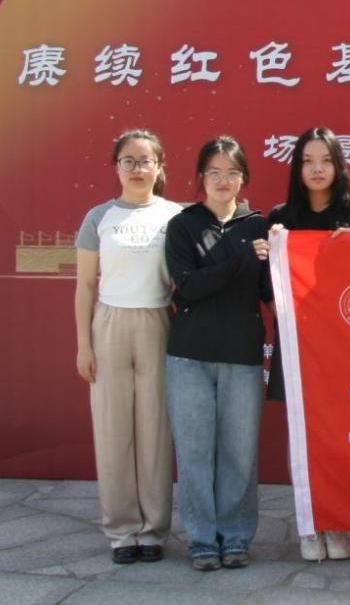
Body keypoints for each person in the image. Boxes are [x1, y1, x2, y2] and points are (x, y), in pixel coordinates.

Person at [257, 127, 350, 562]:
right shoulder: (280, 218)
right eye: (308, 161)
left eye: (325, 160)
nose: (317, 169)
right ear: (297, 168)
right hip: (298, 344)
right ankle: (310, 526)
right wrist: (272, 253)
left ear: (338, 165)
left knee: (342, 437)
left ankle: (338, 522)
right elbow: (267, 287)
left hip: (345, 348)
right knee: (304, 437)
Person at [165, 136, 273, 571]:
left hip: (242, 355)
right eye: (214, 172)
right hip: (189, 356)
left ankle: (236, 536)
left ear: (243, 178)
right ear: (201, 177)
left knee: (239, 454)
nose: (223, 180)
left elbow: (268, 292)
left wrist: (276, 259)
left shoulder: (259, 226)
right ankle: (202, 539)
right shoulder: (183, 225)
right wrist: (241, 261)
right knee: (194, 453)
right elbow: (188, 287)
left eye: (232, 172)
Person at [74, 130, 182, 564]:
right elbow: (85, 285)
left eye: (146, 161)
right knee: (113, 429)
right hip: (110, 323)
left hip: (158, 321)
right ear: (116, 166)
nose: (138, 169)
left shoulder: (175, 215)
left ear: (160, 166)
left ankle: (153, 529)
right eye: (129, 161)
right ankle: (121, 531)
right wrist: (84, 344)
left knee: (155, 429)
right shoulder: (99, 217)